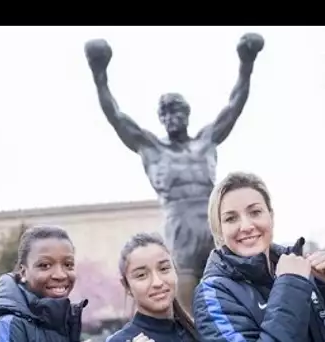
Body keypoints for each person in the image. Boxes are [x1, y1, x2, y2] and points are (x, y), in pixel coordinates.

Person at [84, 33, 265, 314]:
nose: (171, 117)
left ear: (187, 114)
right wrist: (99, 73)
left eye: (176, 111)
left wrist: (246, 63)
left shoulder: (206, 140)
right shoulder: (150, 147)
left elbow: (234, 106)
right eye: (164, 113)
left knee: (235, 301)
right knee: (187, 310)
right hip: (179, 232)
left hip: (214, 227)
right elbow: (115, 116)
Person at [193, 171, 325, 342]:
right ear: (219, 230)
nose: (246, 226)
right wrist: (291, 284)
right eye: (231, 218)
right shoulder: (212, 294)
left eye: (255, 212)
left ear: (271, 217)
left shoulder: (304, 270)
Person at [0, 225, 88, 342]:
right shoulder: (10, 325)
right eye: (45, 265)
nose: (60, 275)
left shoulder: (66, 323)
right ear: (23, 272)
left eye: (68, 264)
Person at [106, 232, 200, 342]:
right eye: (141, 275)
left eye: (164, 269)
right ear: (127, 286)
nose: (157, 282)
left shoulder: (201, 331)